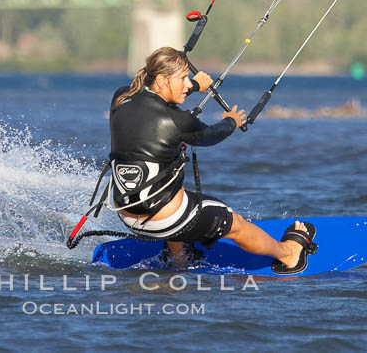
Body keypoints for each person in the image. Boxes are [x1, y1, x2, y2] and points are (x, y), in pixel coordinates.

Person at [109, 46, 316, 274]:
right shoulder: (177, 121)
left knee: (175, 190)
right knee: (233, 221)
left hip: (127, 215)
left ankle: (180, 259)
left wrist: (198, 85)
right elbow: (210, 136)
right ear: (162, 80)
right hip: (164, 220)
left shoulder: (121, 98)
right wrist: (231, 122)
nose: (188, 84)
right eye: (183, 78)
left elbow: (154, 102)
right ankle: (289, 254)